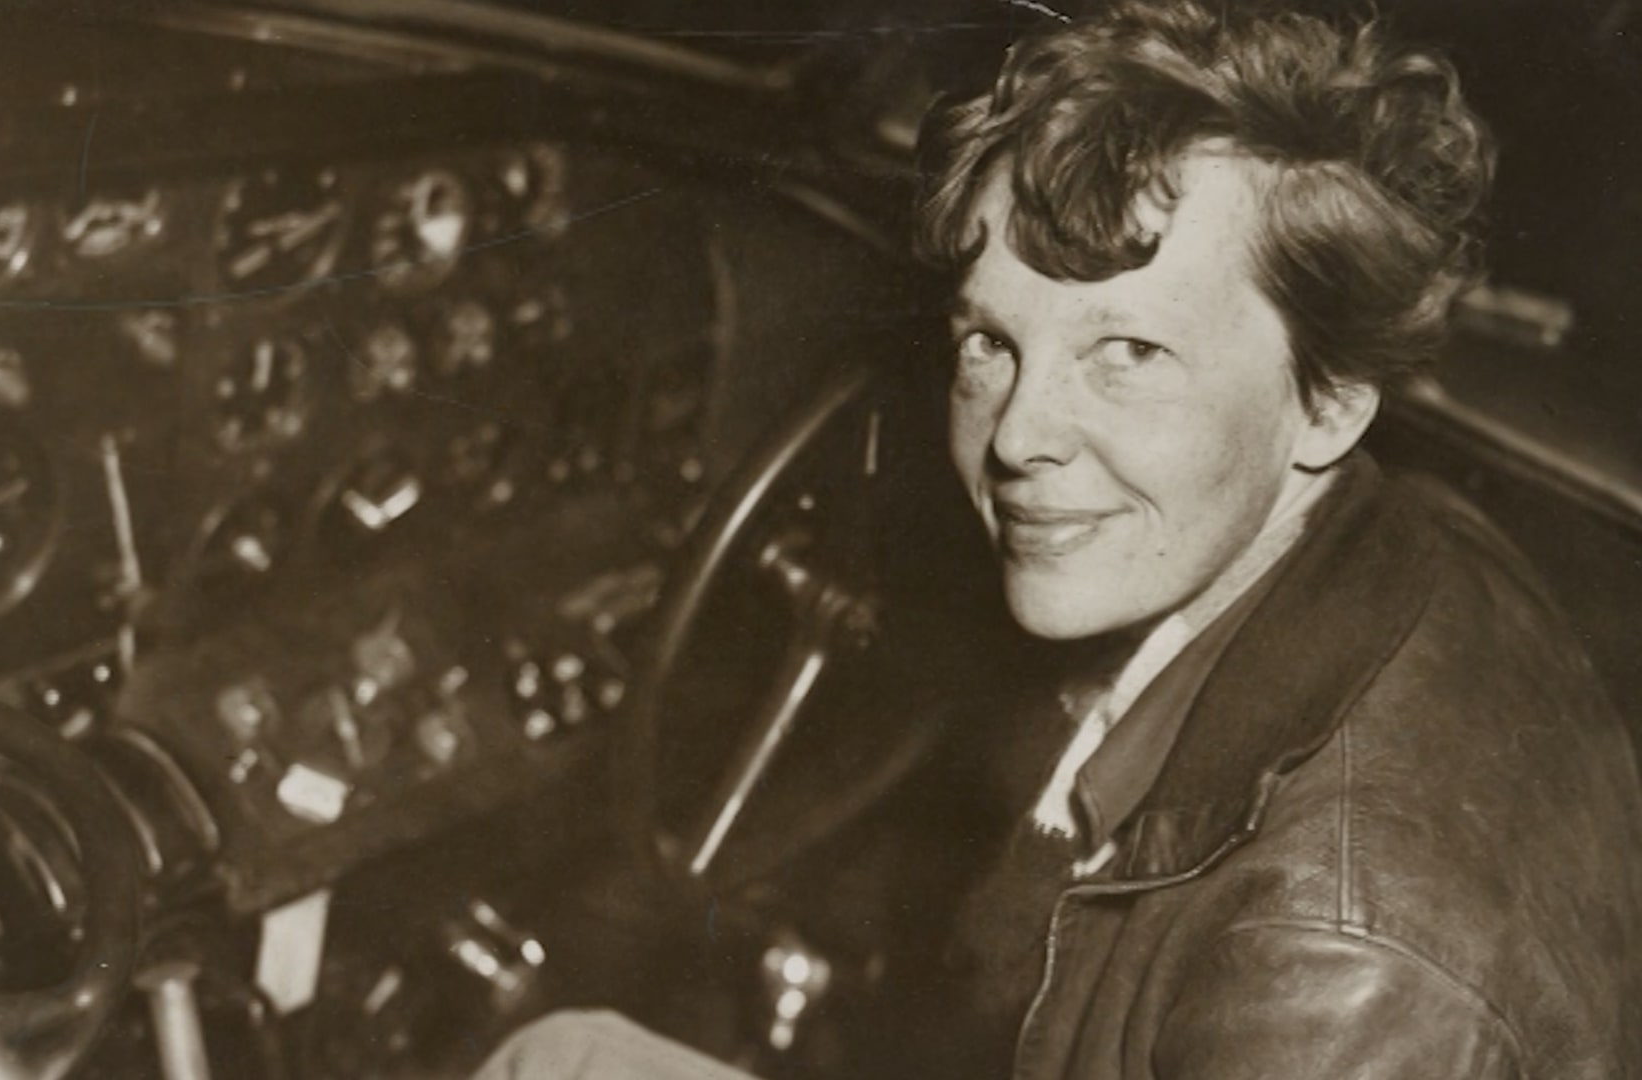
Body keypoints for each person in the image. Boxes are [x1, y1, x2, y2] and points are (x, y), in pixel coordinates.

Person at [477, 0, 1642, 1076]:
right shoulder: (1389, 546)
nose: (1018, 434)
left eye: (1127, 353)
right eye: (990, 342)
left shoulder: (1342, 980)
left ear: (1329, 401)